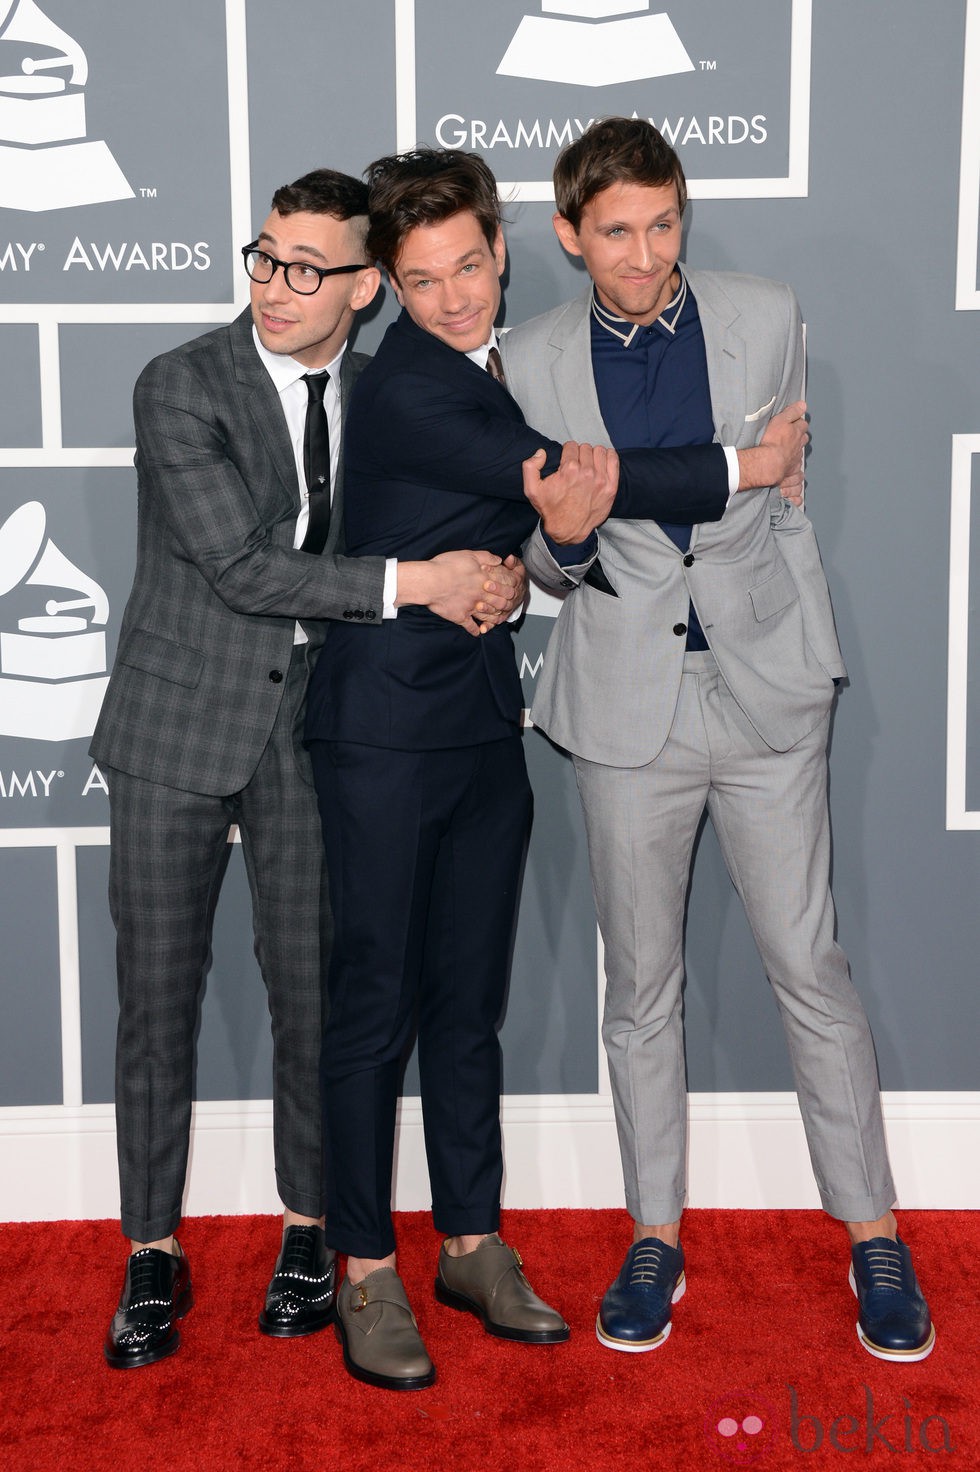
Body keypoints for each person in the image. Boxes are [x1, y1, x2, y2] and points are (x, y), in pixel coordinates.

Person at [302, 147, 810, 1391]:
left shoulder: (495, 366)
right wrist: (750, 464)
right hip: (376, 730)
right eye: (420, 281)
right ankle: (363, 1268)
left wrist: (520, 564)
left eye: (468, 266)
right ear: (387, 290)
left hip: (483, 723)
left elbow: (536, 519)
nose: (453, 298)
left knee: (468, 1004)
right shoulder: (410, 386)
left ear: (503, 250)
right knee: (375, 1006)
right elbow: (582, 482)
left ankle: (469, 1242)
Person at [504, 117, 934, 1363]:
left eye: (662, 224)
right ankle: (654, 1234)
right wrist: (707, 475)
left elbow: (790, 486)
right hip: (623, 702)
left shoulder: (764, 311)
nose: (644, 257)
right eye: (616, 233)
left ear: (681, 216)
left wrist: (720, 475)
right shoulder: (525, 359)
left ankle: (869, 1233)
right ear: (570, 235)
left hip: (763, 692)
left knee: (811, 964)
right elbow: (542, 543)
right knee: (638, 988)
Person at [91, 167, 527, 1370]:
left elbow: (469, 512)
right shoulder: (180, 382)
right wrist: (424, 582)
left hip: (312, 730)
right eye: (264, 256)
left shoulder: (390, 393)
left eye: (308, 268)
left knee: (317, 1002)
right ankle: (148, 1250)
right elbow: (239, 566)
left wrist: (490, 574)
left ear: (365, 287)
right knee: (157, 1006)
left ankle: (307, 1230)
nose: (275, 286)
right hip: (176, 729)